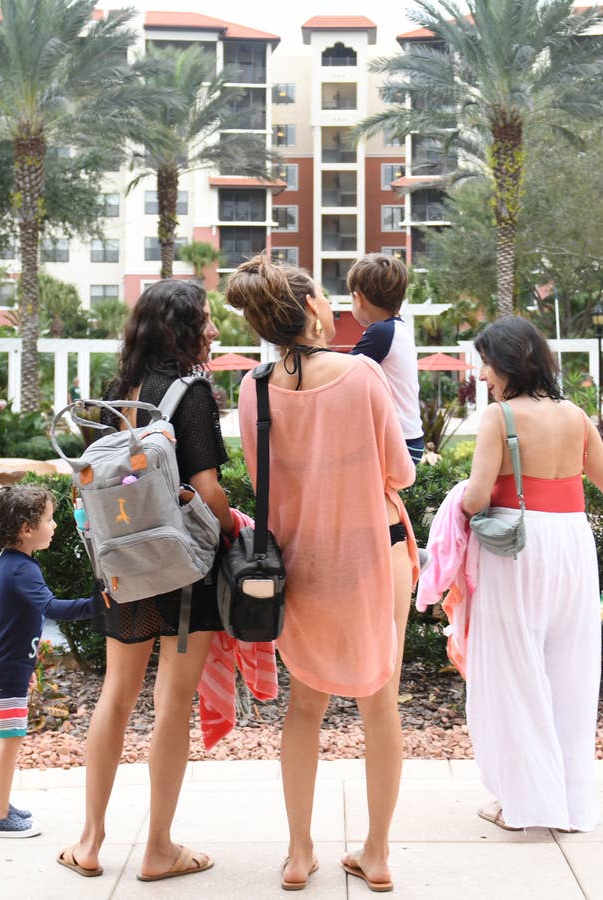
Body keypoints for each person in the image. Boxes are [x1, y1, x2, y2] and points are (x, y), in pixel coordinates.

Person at [226, 256, 417, 893]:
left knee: (305, 706)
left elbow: (262, 483)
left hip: (299, 566)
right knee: (379, 702)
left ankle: (299, 855)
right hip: (372, 557)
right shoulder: (362, 374)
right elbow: (402, 472)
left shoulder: (253, 388)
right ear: (311, 309)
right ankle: (378, 854)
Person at [459, 317, 603, 833]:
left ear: (506, 363)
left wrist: (453, 506)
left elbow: (477, 497)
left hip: (516, 544)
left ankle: (523, 800)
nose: (483, 373)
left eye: (486, 362)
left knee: (515, 671)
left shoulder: (498, 417)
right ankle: (569, 802)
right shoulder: (575, 417)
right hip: (571, 544)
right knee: (569, 668)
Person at [59, 279, 235, 881]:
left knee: (116, 695)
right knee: (172, 704)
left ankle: (89, 841)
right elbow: (207, 491)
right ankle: (159, 848)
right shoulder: (191, 392)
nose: (213, 331)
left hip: (123, 567)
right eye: (206, 322)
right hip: (182, 571)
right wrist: (238, 527)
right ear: (182, 329)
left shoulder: (119, 392)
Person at [0, 484, 96, 838]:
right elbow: (52, 607)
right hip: (5, 670)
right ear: (26, 529)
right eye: (48, 519)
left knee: (0, 738)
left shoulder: (12, 563)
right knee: (10, 739)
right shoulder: (22, 569)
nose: (55, 525)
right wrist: (99, 604)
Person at [347, 252, 424, 465]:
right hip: (410, 438)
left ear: (358, 298)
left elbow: (342, 372)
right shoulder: (397, 329)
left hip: (397, 440)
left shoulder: (381, 332)